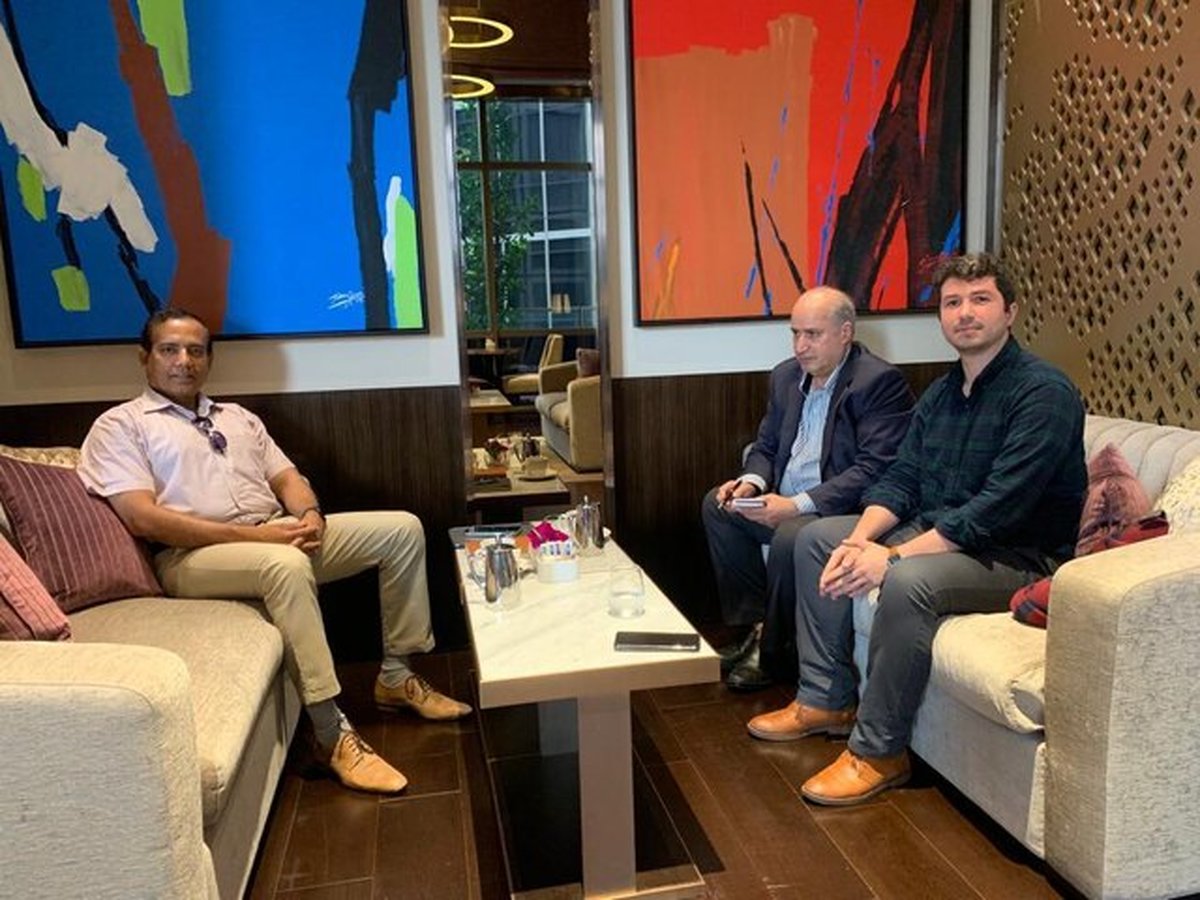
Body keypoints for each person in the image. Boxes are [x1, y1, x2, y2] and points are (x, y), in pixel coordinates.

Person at [77, 308, 471, 796]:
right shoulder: (121, 425)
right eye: (169, 350)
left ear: (209, 359)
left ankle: (396, 675)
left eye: (196, 351)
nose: (184, 361)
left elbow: (287, 478)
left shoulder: (238, 418)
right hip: (188, 557)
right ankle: (330, 733)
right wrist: (261, 539)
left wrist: (311, 515)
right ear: (145, 358)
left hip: (274, 533)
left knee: (401, 530)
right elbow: (143, 518)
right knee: (284, 564)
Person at [747, 253, 1086, 805]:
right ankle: (825, 699)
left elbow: (996, 509)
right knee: (815, 539)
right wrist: (861, 539)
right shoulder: (943, 393)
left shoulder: (1042, 393)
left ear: (1011, 312)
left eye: (980, 299)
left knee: (907, 582)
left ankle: (879, 751)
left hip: (1018, 556)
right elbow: (902, 478)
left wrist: (894, 558)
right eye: (953, 302)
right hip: (943, 534)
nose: (965, 312)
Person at [701, 286, 914, 690]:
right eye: (795, 333)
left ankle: (774, 653)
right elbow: (765, 446)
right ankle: (755, 627)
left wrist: (796, 505)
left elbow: (874, 468)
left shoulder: (878, 382)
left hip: (839, 509)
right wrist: (750, 484)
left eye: (812, 334)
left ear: (845, 333)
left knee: (791, 535)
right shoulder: (785, 376)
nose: (800, 346)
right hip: (784, 500)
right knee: (718, 506)